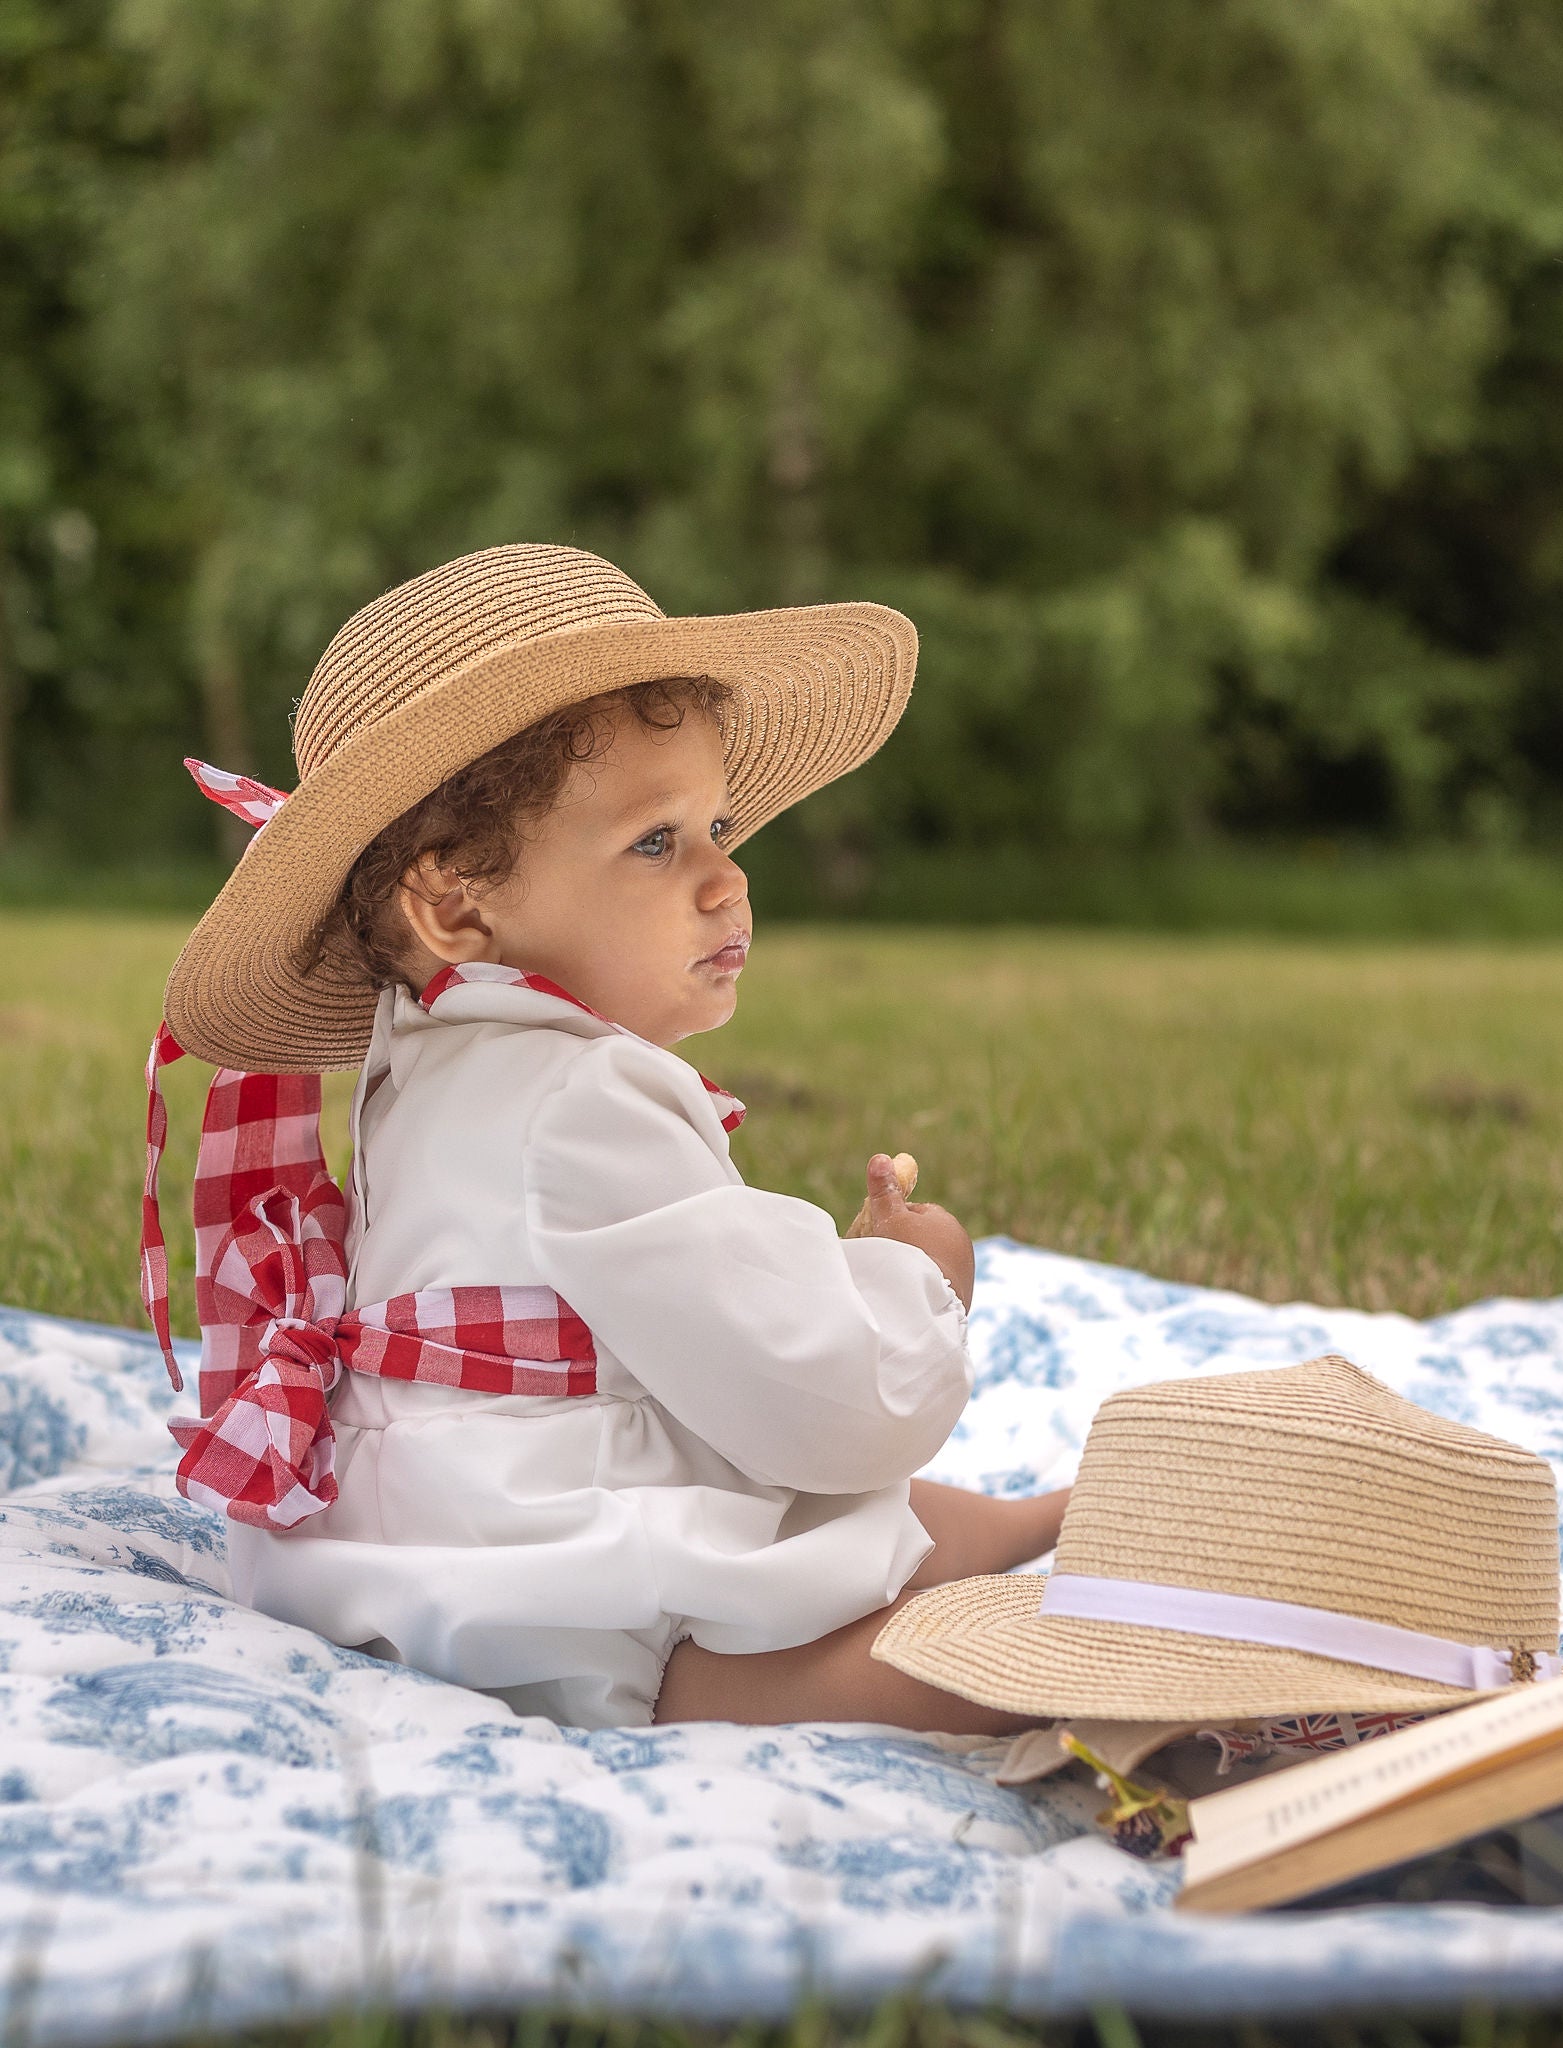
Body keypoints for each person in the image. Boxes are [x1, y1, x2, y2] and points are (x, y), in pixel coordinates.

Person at [142, 544, 1068, 1733]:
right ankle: (1090, 1669)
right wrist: (913, 1284)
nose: (727, 878)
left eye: (718, 824)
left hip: (403, 1540)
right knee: (857, 1632)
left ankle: (1047, 1520)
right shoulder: (591, 1099)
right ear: (458, 903)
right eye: (656, 841)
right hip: (561, 1588)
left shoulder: (420, 1059)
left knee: (875, 1516)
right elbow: (809, 1398)